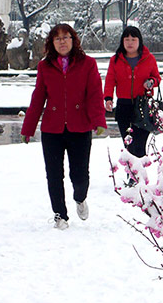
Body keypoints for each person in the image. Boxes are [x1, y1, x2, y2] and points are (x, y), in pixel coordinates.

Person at [21, 23, 107, 230]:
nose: (62, 42)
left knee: (79, 175)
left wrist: (99, 121)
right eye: (57, 38)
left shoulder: (88, 64)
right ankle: (60, 215)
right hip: (52, 129)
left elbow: (95, 94)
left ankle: (80, 198)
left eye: (65, 37)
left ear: (73, 39)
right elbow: (38, 98)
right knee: (53, 174)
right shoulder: (45, 66)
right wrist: (28, 127)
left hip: (80, 127)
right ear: (52, 42)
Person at [104, 26, 161, 159]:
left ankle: (139, 176)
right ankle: (132, 175)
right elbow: (110, 80)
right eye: (127, 39)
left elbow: (157, 77)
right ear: (122, 41)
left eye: (133, 39)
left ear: (139, 41)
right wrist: (108, 98)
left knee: (140, 145)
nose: (130, 43)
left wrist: (152, 81)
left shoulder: (149, 58)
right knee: (129, 144)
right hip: (124, 106)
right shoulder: (115, 60)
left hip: (143, 106)